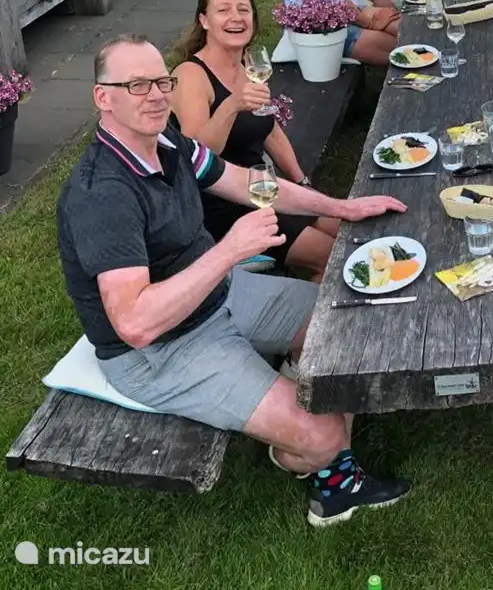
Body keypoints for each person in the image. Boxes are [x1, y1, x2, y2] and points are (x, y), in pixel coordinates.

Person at [57, 34, 411, 525]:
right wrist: (230, 250)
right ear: (104, 97)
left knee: (343, 320)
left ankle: (293, 412)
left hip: (217, 297)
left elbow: (249, 184)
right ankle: (329, 478)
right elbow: (135, 324)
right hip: (161, 349)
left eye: (162, 81)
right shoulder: (104, 195)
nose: (156, 95)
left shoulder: (168, 143)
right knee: (327, 433)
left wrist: (340, 207)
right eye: (136, 85)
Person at [171, 0, 340, 281]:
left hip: (264, 190)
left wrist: (301, 181)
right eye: (223, 10)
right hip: (223, 206)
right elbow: (197, 156)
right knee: (331, 257)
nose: (236, 17)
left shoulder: (249, 65)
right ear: (204, 21)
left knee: (345, 229)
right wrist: (232, 104)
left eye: (243, 9)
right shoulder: (191, 75)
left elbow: (270, 129)